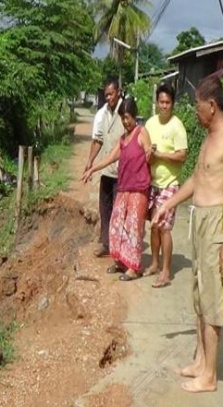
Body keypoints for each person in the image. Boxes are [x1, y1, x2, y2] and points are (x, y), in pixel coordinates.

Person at [153, 75, 223, 393]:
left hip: (217, 222)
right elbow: (195, 180)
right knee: (198, 293)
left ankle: (211, 376)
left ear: (212, 106)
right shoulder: (208, 138)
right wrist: (168, 205)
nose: (195, 112)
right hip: (199, 220)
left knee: (212, 297)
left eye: (198, 106)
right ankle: (200, 361)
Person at [82, 97, 152, 281]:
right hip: (124, 187)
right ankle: (121, 261)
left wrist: (151, 153)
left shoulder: (141, 133)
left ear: (134, 116)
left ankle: (133, 267)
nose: (125, 121)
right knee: (117, 223)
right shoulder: (123, 139)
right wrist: (92, 169)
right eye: (123, 118)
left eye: (127, 117)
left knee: (133, 227)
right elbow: (110, 158)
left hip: (138, 189)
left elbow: (149, 155)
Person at [144, 83, 188, 289]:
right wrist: (149, 154)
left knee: (164, 228)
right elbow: (143, 148)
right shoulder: (150, 124)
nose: (164, 106)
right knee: (153, 226)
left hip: (170, 183)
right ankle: (154, 263)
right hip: (153, 182)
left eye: (167, 103)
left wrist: (160, 154)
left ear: (173, 104)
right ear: (156, 102)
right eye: (161, 102)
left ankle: (166, 272)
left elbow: (182, 156)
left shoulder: (177, 126)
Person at [85, 79, 125, 258]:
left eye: (111, 94)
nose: (109, 97)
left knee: (119, 211)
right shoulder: (103, 113)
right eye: (106, 95)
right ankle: (105, 243)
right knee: (104, 207)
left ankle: (119, 247)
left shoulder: (126, 110)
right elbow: (98, 139)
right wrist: (90, 161)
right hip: (107, 171)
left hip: (122, 171)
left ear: (119, 92)